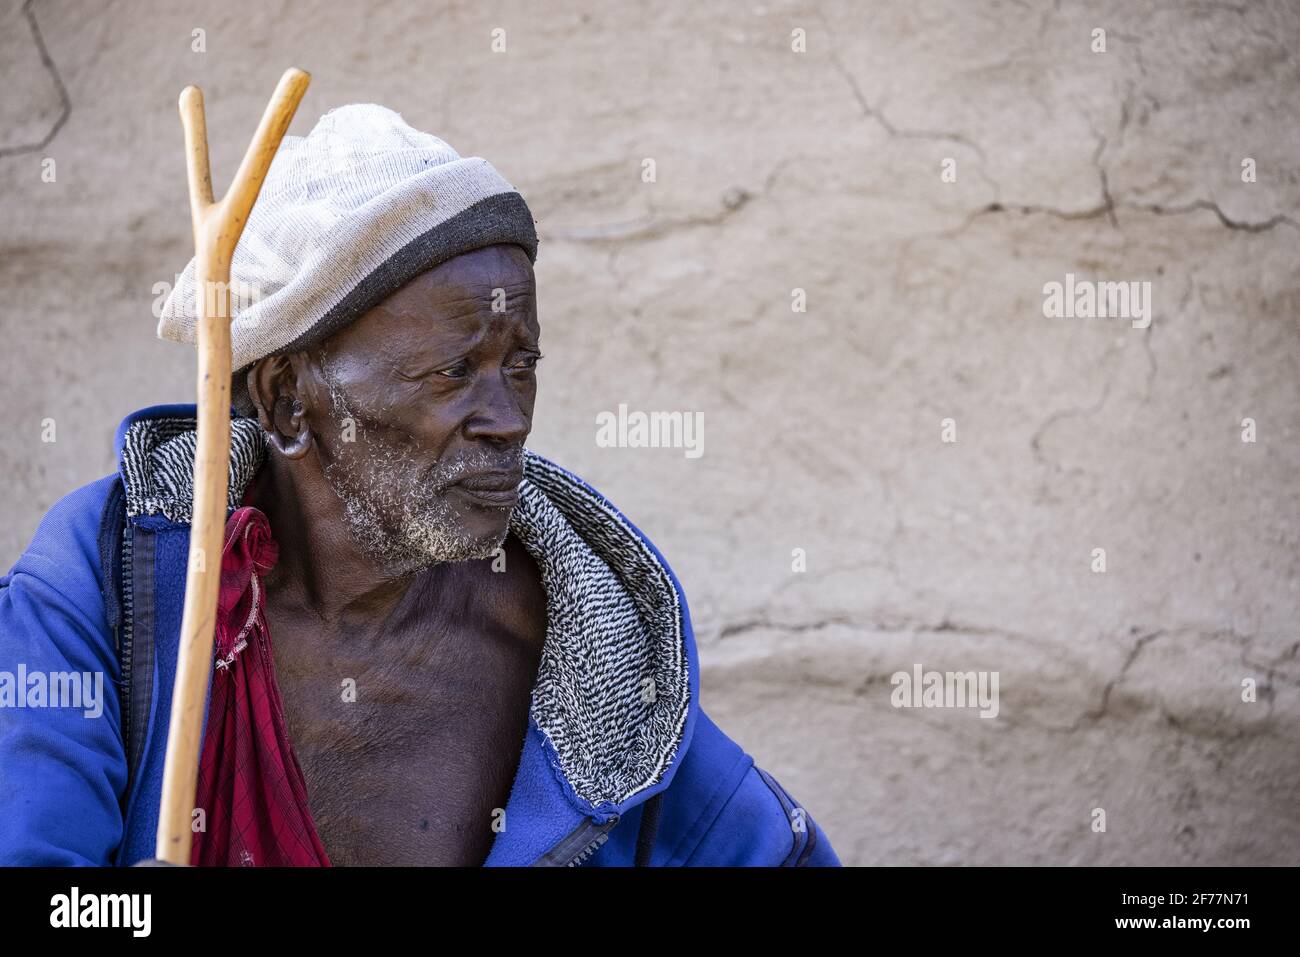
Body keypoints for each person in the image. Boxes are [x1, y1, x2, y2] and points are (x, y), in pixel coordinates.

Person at [0, 105, 840, 867]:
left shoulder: (587, 661)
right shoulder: (112, 586)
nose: (507, 418)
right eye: (450, 372)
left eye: (521, 364)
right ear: (290, 401)